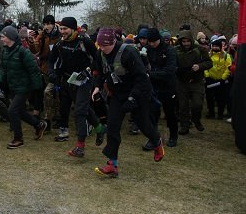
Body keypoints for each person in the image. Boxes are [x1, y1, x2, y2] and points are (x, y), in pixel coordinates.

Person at [92, 27, 164, 178]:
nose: (103, 49)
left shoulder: (128, 53)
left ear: (113, 42)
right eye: (100, 46)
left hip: (139, 92)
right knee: (112, 127)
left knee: (143, 123)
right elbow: (100, 72)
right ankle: (112, 165)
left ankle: (156, 142)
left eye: (106, 45)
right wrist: (98, 87)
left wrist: (133, 98)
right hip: (118, 93)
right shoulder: (100, 53)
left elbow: (142, 78)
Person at [48, 17, 106, 157]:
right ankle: (99, 128)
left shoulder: (84, 41)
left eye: (65, 29)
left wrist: (88, 70)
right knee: (84, 109)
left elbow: (98, 58)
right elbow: (52, 59)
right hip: (68, 80)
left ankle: (80, 146)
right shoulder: (59, 43)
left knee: (79, 111)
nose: (62, 31)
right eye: (61, 29)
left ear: (74, 29)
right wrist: (52, 73)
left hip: (84, 81)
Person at [0, 26, 47, 149]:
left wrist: (37, 88)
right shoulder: (5, 51)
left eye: (3, 36)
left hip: (25, 87)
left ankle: (18, 139)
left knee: (12, 110)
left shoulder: (23, 52)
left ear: (11, 38)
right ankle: (38, 124)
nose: (2, 39)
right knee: (19, 111)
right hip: (13, 86)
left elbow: (34, 70)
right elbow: (3, 69)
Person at [145, 27, 179, 148]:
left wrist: (151, 74)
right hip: (153, 86)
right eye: (150, 42)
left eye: (154, 41)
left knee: (170, 113)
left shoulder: (169, 50)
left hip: (168, 86)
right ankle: (153, 139)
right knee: (152, 113)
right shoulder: (147, 49)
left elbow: (169, 71)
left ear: (159, 39)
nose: (152, 44)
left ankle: (173, 136)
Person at [175, 29, 213, 134]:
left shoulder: (200, 49)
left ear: (191, 40)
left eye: (188, 41)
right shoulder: (176, 50)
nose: (186, 43)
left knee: (197, 104)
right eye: (183, 41)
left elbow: (209, 63)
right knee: (183, 106)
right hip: (182, 81)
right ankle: (184, 126)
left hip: (197, 81)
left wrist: (200, 66)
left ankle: (196, 120)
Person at [29, 14, 61, 130]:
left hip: (59, 68)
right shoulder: (42, 35)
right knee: (47, 93)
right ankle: (48, 118)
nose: (46, 26)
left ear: (53, 24)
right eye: (45, 24)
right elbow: (36, 50)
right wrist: (32, 42)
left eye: (48, 24)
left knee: (56, 94)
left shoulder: (60, 35)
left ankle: (57, 117)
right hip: (45, 67)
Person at [204, 37, 232, 120]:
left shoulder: (226, 56)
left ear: (220, 47)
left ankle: (220, 114)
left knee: (221, 99)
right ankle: (211, 113)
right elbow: (205, 65)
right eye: (214, 46)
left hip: (221, 81)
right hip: (210, 80)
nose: (215, 48)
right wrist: (207, 76)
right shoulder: (208, 55)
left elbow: (228, 67)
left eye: (217, 46)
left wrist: (223, 78)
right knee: (209, 98)